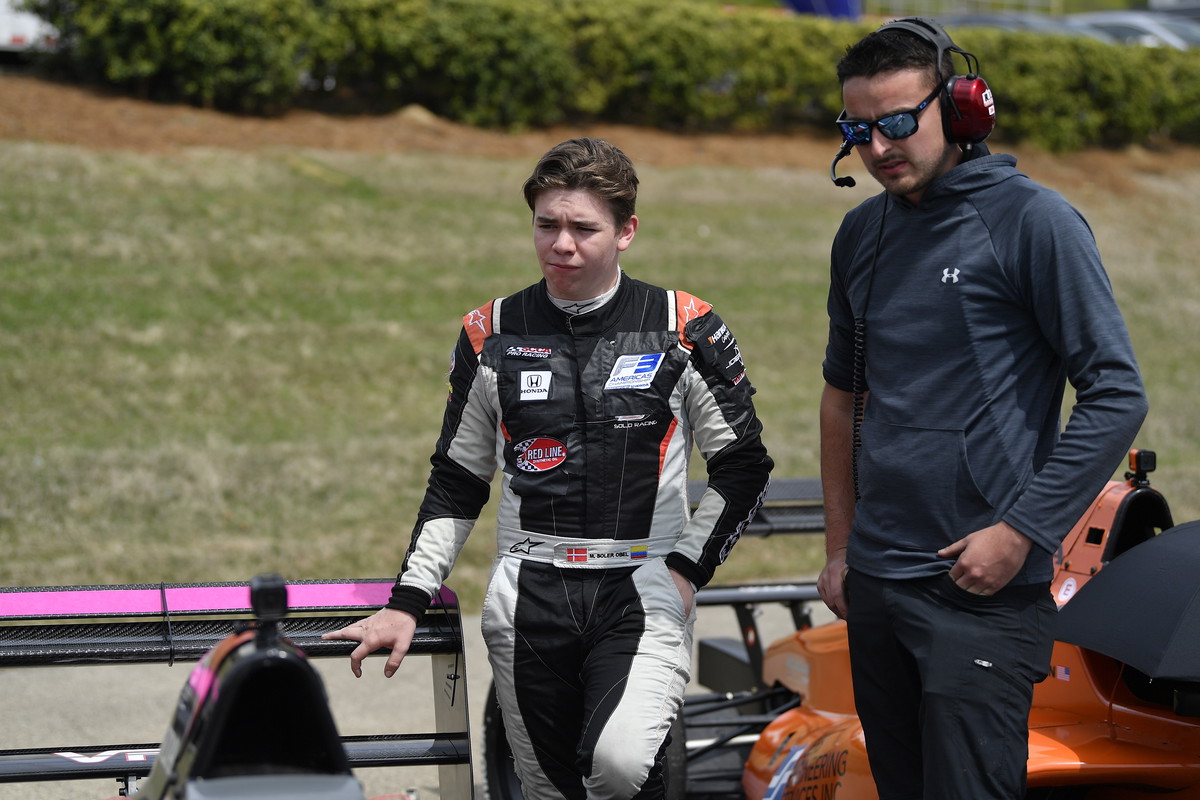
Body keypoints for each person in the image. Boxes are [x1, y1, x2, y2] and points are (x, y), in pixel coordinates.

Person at [324, 137, 773, 800]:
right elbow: (457, 479)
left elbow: (743, 466)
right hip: (527, 593)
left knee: (620, 765)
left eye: (583, 228)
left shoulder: (684, 326)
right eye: (546, 225)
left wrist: (684, 570)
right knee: (547, 791)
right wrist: (406, 601)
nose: (561, 244)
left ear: (626, 232)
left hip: (642, 584)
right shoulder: (489, 332)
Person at [816, 17, 1148, 800]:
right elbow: (843, 398)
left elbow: (1116, 393)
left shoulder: (1036, 223)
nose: (879, 147)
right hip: (877, 583)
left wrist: (1020, 533)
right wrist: (841, 546)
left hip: (982, 591)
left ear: (963, 108)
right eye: (858, 130)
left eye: (900, 123)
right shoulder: (860, 234)